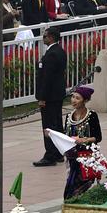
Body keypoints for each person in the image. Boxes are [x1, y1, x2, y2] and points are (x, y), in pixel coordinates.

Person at [33, 27, 67, 167]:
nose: (43, 39)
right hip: (57, 96)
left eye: (45, 36)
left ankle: (50, 155)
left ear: (51, 37)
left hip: (50, 97)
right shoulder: (59, 51)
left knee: (49, 127)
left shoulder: (52, 54)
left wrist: (42, 97)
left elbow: (47, 78)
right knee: (57, 125)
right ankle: (59, 153)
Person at [61, 85, 102, 199]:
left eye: (77, 98)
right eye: (73, 97)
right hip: (72, 157)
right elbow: (66, 135)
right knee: (71, 187)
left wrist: (83, 140)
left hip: (87, 157)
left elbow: (98, 137)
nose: (74, 100)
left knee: (84, 184)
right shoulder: (69, 116)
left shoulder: (91, 116)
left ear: (85, 100)